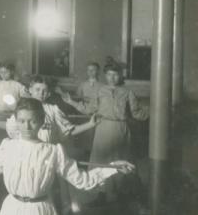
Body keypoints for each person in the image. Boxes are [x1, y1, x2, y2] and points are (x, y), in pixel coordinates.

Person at [0, 97, 136, 215]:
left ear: (41, 122)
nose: (27, 126)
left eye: (33, 121)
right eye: (22, 121)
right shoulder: (8, 147)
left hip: (41, 209)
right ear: (16, 121)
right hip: (11, 208)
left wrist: (112, 167)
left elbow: (82, 181)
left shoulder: (53, 150)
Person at [62, 64, 148, 202]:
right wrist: (72, 102)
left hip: (121, 129)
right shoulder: (100, 91)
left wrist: (154, 112)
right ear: (105, 75)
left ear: (120, 75)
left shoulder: (128, 92)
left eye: (115, 74)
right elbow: (89, 109)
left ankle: (122, 193)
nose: (112, 77)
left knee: (122, 160)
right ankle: (101, 194)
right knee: (101, 160)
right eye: (109, 74)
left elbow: (137, 113)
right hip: (103, 128)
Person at [0, 76, 98, 145]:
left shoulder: (53, 110)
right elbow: (10, 126)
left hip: (45, 153)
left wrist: (90, 124)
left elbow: (68, 130)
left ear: (49, 93)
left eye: (44, 90)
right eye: (37, 89)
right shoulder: (22, 108)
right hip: (24, 152)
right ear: (30, 90)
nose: (41, 93)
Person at [0, 62, 29, 153]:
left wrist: (26, 89)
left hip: (13, 116)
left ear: (11, 72)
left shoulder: (17, 85)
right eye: (1, 72)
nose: (3, 74)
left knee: (13, 138)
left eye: (6, 72)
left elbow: (26, 95)